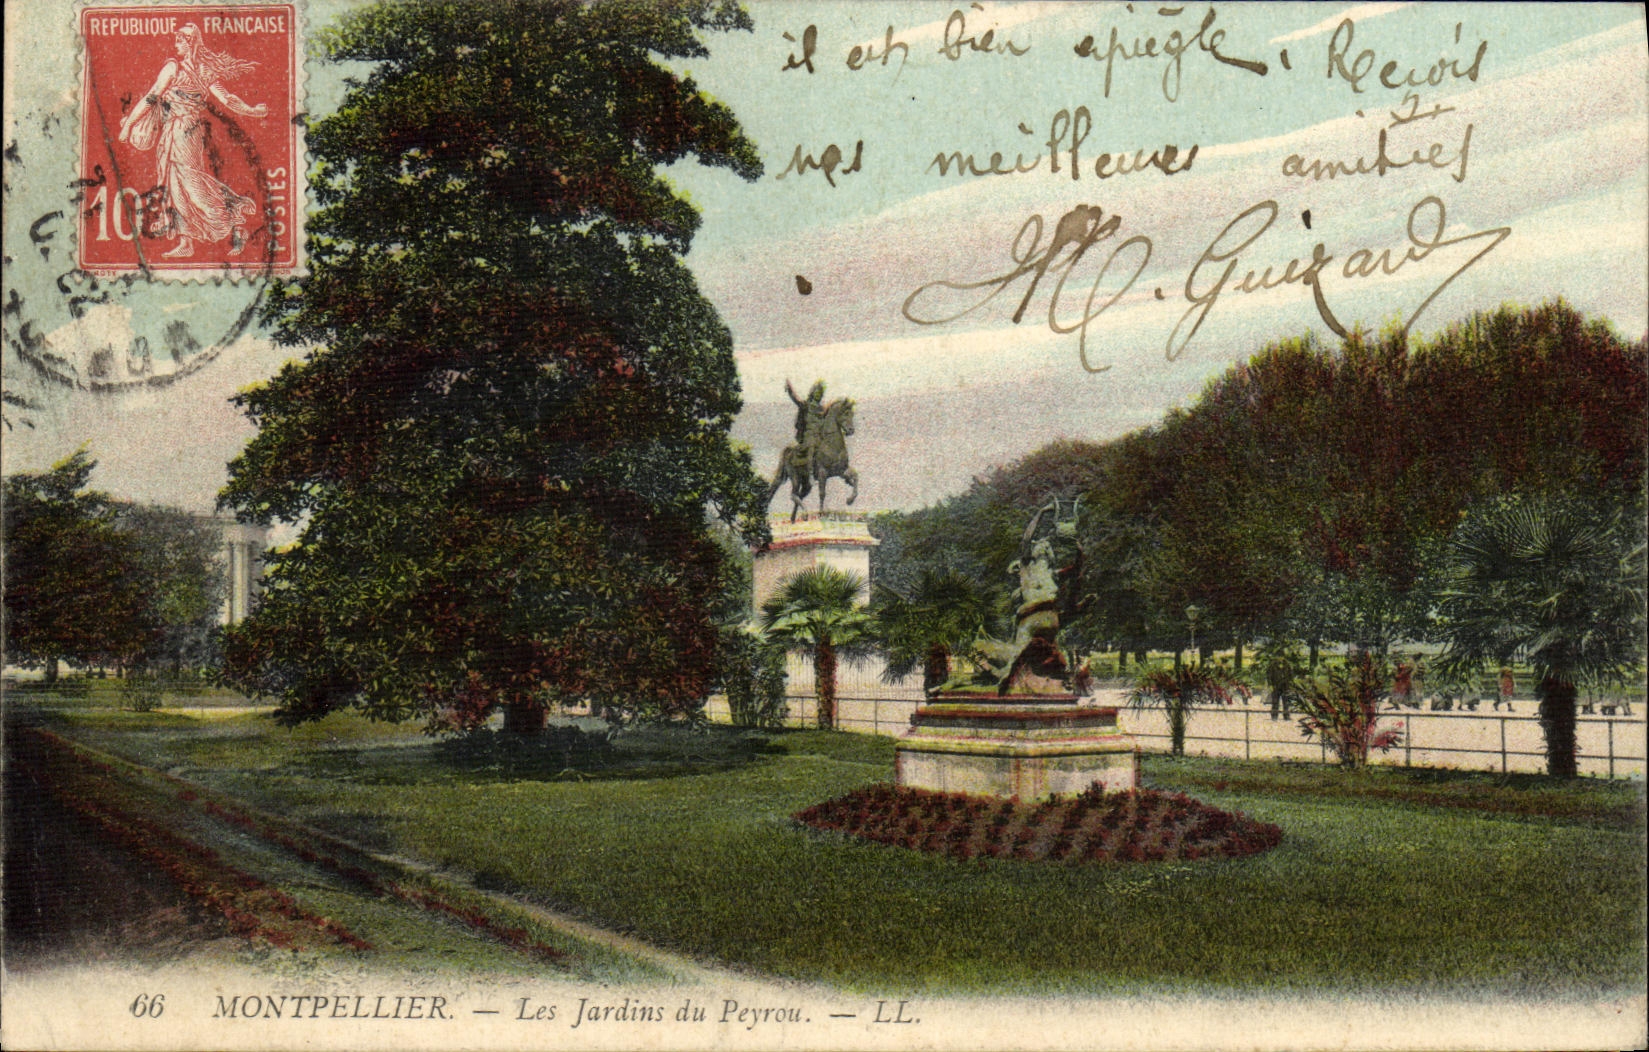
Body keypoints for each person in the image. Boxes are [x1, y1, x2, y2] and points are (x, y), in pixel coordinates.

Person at [118, 24, 268, 259]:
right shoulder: (195, 69)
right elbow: (227, 99)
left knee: (191, 183)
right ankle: (186, 241)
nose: (175, 45)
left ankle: (235, 219)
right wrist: (252, 110)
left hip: (184, 131)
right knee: (173, 184)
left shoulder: (176, 68)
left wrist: (128, 125)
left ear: (188, 43)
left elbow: (151, 97)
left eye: (178, 41)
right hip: (177, 131)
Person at [784, 379, 827, 478]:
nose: (818, 395)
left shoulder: (822, 409)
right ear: (812, 392)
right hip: (807, 435)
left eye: (820, 393)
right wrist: (790, 390)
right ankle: (811, 472)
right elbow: (796, 399)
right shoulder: (805, 405)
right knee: (812, 444)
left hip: (819, 435)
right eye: (817, 392)